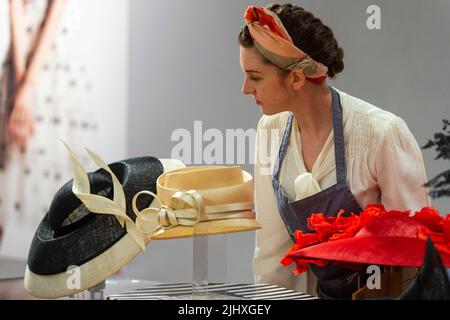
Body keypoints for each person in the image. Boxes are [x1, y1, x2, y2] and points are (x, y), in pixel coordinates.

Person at [238, 4, 431, 299]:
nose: (245, 88)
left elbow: (412, 255)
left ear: (296, 79)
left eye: (255, 77)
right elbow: (273, 252)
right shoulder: (270, 130)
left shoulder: (381, 133)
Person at [0, 0, 97, 259]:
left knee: (64, 170)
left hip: (53, 66)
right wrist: (20, 91)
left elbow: (54, 18)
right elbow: (15, 9)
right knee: (6, 164)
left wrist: (26, 87)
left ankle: (82, 262)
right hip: (21, 65)